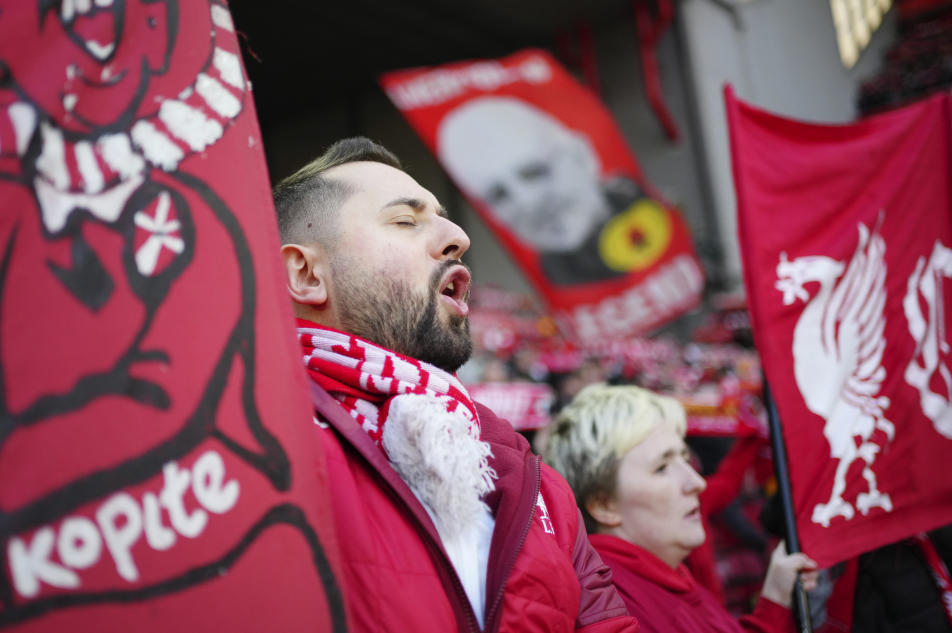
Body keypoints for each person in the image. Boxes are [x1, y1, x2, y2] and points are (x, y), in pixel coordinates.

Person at [273, 137, 639, 633]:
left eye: (445, 217)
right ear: (305, 273)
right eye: (406, 220)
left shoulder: (534, 483)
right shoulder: (259, 454)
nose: (459, 236)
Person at [545, 383, 818, 633]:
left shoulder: (663, 576)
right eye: (661, 468)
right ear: (604, 505)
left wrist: (776, 598)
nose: (696, 482)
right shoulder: (613, 606)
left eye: (685, 458)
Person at [437, 96, 669, 287]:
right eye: (499, 195)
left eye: (534, 171)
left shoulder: (659, 222)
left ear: (581, 156)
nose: (527, 201)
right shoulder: (554, 278)